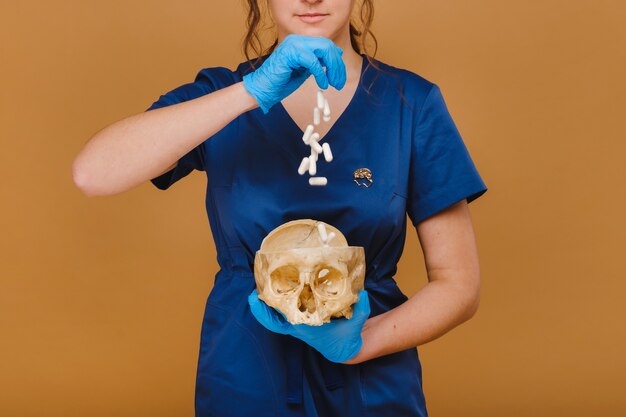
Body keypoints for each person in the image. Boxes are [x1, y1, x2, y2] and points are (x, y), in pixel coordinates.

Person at [72, 0, 488, 416]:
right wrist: (249, 93)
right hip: (246, 373)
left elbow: (458, 284)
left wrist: (364, 342)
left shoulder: (410, 103)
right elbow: (93, 173)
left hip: (372, 388)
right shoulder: (221, 94)